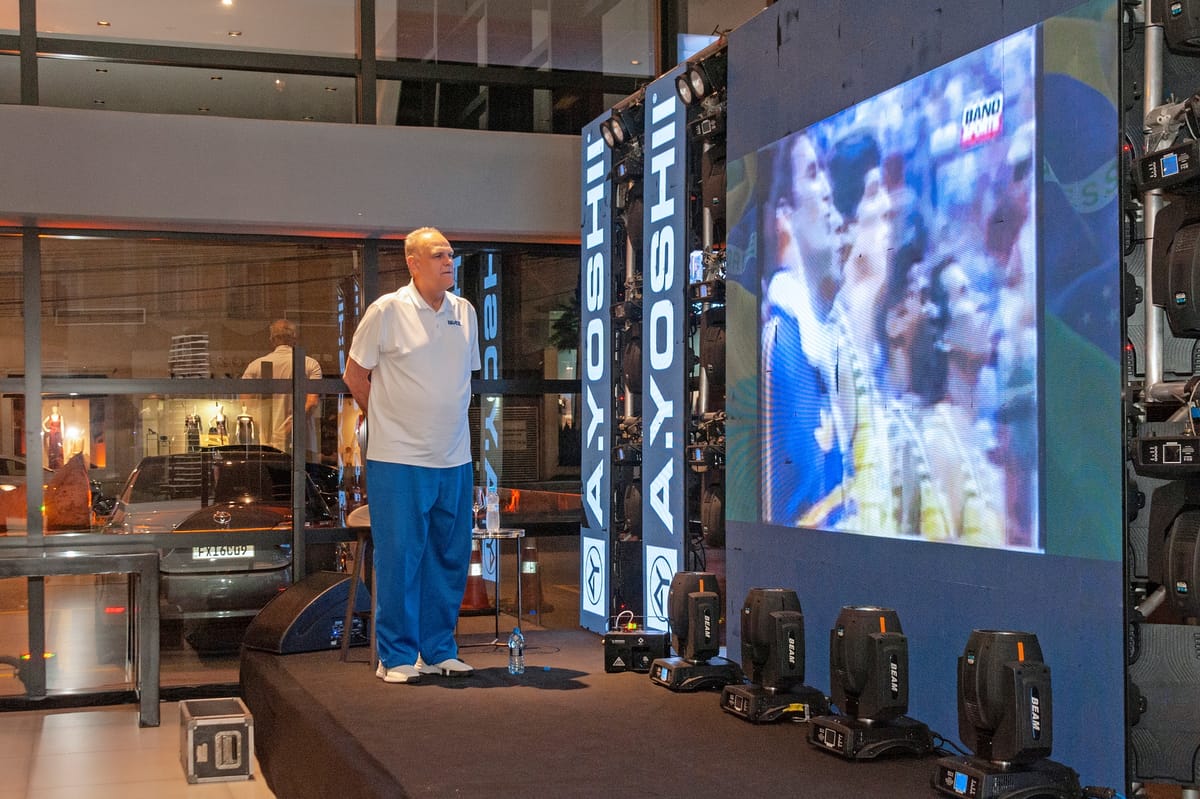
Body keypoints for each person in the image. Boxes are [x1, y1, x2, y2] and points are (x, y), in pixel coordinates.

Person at [343, 226, 480, 684]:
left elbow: (460, 382)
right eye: (438, 255)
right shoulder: (387, 311)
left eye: (452, 255)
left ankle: (438, 649)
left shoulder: (465, 311)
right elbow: (355, 375)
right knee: (401, 557)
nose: (449, 262)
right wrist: (383, 416)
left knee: (449, 556)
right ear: (413, 263)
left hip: (454, 457)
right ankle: (396, 657)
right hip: (398, 458)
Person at [761, 133, 847, 528]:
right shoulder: (782, 344)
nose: (827, 190)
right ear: (785, 214)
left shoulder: (824, 337)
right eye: (813, 174)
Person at [241, 319, 323, 458]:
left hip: (267, 443)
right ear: (295, 338)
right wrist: (288, 428)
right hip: (302, 442)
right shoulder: (310, 365)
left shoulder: (255, 366)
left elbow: (245, 404)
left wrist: (267, 428)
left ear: (272, 340)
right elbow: (311, 403)